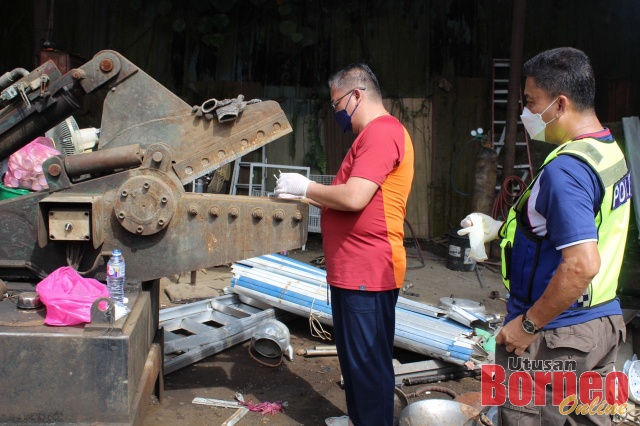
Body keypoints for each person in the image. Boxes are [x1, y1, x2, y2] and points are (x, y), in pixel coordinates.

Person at [462, 47, 631, 425]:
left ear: (560, 104)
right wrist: (503, 228)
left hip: (556, 335)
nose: (525, 113)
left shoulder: (566, 170)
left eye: (530, 102)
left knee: (523, 416)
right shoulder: (606, 151)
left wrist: (527, 326)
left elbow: (582, 264)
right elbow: (581, 227)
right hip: (602, 325)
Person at [275, 63, 414, 426]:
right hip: (354, 269)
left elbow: (354, 197)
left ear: (356, 95)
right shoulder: (370, 136)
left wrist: (304, 186)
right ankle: (358, 419)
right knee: (355, 357)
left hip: (369, 270)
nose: (336, 113)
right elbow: (345, 200)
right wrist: (303, 199)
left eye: (337, 104)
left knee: (368, 362)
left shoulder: (382, 133)